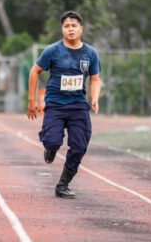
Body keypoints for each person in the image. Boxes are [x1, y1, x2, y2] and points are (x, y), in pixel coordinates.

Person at [27, 11, 101, 199]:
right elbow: (35, 72)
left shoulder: (90, 53)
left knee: (80, 145)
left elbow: (95, 79)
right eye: (67, 26)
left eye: (74, 26)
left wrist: (94, 97)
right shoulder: (52, 51)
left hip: (78, 105)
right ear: (62, 29)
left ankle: (63, 184)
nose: (70, 29)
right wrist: (32, 101)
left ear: (81, 29)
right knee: (52, 140)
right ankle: (50, 148)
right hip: (55, 104)